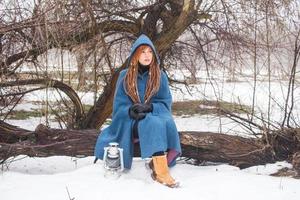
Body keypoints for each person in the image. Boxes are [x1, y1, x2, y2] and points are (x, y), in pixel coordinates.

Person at [94, 34, 181, 188]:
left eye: (150, 52)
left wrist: (150, 107)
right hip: (131, 120)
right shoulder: (124, 76)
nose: (147, 55)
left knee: (159, 121)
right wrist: (131, 110)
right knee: (152, 122)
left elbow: (165, 103)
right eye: (143, 52)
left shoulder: (161, 76)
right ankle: (161, 172)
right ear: (135, 55)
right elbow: (118, 107)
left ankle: (159, 168)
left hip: (155, 115)